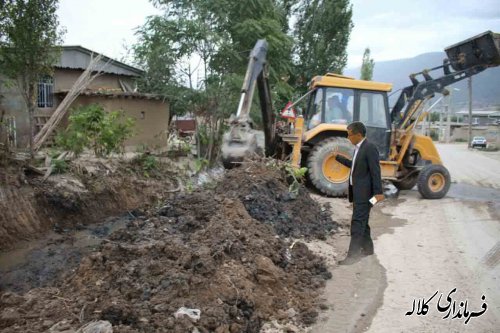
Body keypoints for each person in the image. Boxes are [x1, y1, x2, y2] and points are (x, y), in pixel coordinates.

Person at [332, 121, 385, 265]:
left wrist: (378, 193)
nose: (348, 137)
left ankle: (352, 256)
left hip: (366, 195)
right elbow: (355, 166)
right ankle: (368, 250)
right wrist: (338, 157)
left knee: (357, 223)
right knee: (363, 221)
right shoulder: (358, 148)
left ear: (358, 134)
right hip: (358, 194)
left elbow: (375, 171)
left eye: (349, 135)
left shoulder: (369, 148)